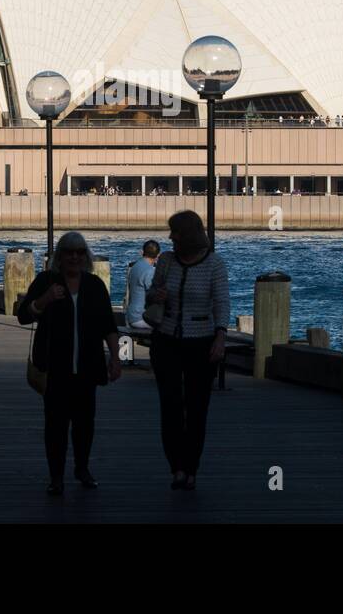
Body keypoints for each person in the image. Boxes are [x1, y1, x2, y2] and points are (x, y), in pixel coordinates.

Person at [17, 232, 121, 496]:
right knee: (56, 425)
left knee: (85, 423)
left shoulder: (94, 285)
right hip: (55, 367)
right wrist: (45, 299)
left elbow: (108, 324)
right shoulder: (46, 281)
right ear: (59, 257)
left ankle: (82, 468)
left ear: (85, 256)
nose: (74, 257)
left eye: (79, 252)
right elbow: (23, 316)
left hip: (87, 367)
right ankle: (56, 476)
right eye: (68, 252)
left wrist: (116, 357)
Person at [144, 210, 230, 491]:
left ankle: (191, 467)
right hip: (166, 339)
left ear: (189, 235)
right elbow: (151, 292)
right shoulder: (166, 261)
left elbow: (221, 303)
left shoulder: (214, 264)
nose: (170, 237)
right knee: (169, 405)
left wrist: (220, 336)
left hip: (200, 341)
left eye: (176, 233)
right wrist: (155, 295)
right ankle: (176, 467)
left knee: (196, 407)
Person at [125, 239, 160, 329]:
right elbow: (154, 297)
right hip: (140, 318)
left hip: (131, 315)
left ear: (142, 252)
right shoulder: (150, 271)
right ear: (158, 256)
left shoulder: (135, 266)